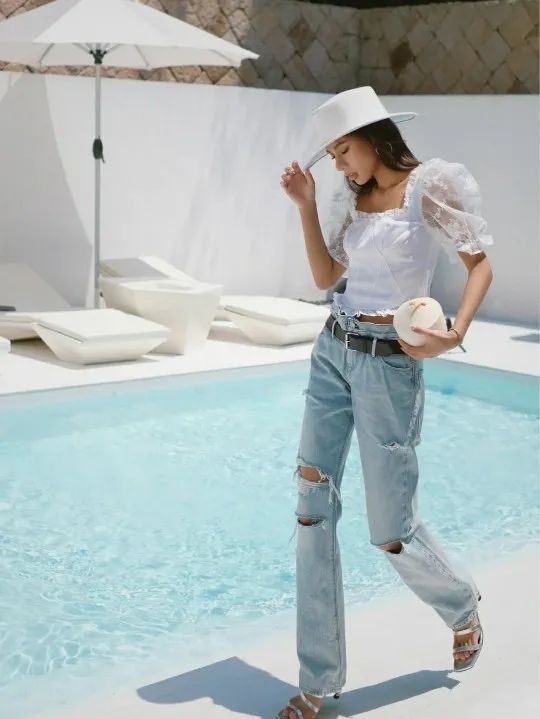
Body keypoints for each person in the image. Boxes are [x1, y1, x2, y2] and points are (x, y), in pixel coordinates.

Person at [275, 86, 494, 719]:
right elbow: (326, 278)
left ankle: (461, 604)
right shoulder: (352, 199)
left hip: (389, 364)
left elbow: (479, 265)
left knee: (390, 531)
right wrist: (306, 206)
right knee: (311, 510)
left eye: (344, 151)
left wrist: (455, 332)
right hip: (333, 350)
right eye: (334, 156)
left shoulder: (430, 187)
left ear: (374, 139)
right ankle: (318, 680)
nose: (340, 165)